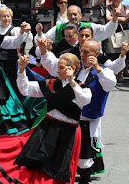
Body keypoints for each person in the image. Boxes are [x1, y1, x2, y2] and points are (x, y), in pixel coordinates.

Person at [0, 53, 91, 184]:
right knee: (37, 164)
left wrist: (72, 82)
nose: (57, 70)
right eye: (58, 67)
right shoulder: (52, 84)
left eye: (61, 67)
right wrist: (21, 70)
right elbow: (26, 89)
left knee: (59, 169)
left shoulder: (82, 88)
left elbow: (84, 100)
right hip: (47, 129)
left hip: (68, 133)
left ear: (73, 69)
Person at [39, 40, 117, 184]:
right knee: (64, 152)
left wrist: (97, 68)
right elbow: (55, 66)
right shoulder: (77, 68)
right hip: (69, 118)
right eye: (81, 51)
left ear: (97, 54)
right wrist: (44, 52)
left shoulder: (103, 72)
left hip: (87, 121)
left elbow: (110, 84)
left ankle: (84, 181)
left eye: (86, 52)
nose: (82, 55)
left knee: (84, 157)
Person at [34, 5, 119, 52]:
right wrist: (39, 34)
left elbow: (106, 31)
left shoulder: (90, 27)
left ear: (80, 15)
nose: (73, 17)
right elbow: (43, 41)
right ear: (67, 16)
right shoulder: (58, 28)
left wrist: (114, 19)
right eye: (70, 15)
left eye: (75, 14)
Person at [105, 0, 129, 82]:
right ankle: (113, 73)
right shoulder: (108, 7)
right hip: (112, 31)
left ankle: (121, 73)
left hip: (123, 31)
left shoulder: (125, 7)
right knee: (112, 52)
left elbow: (127, 18)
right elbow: (108, 18)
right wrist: (120, 18)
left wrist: (115, 18)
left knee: (123, 52)